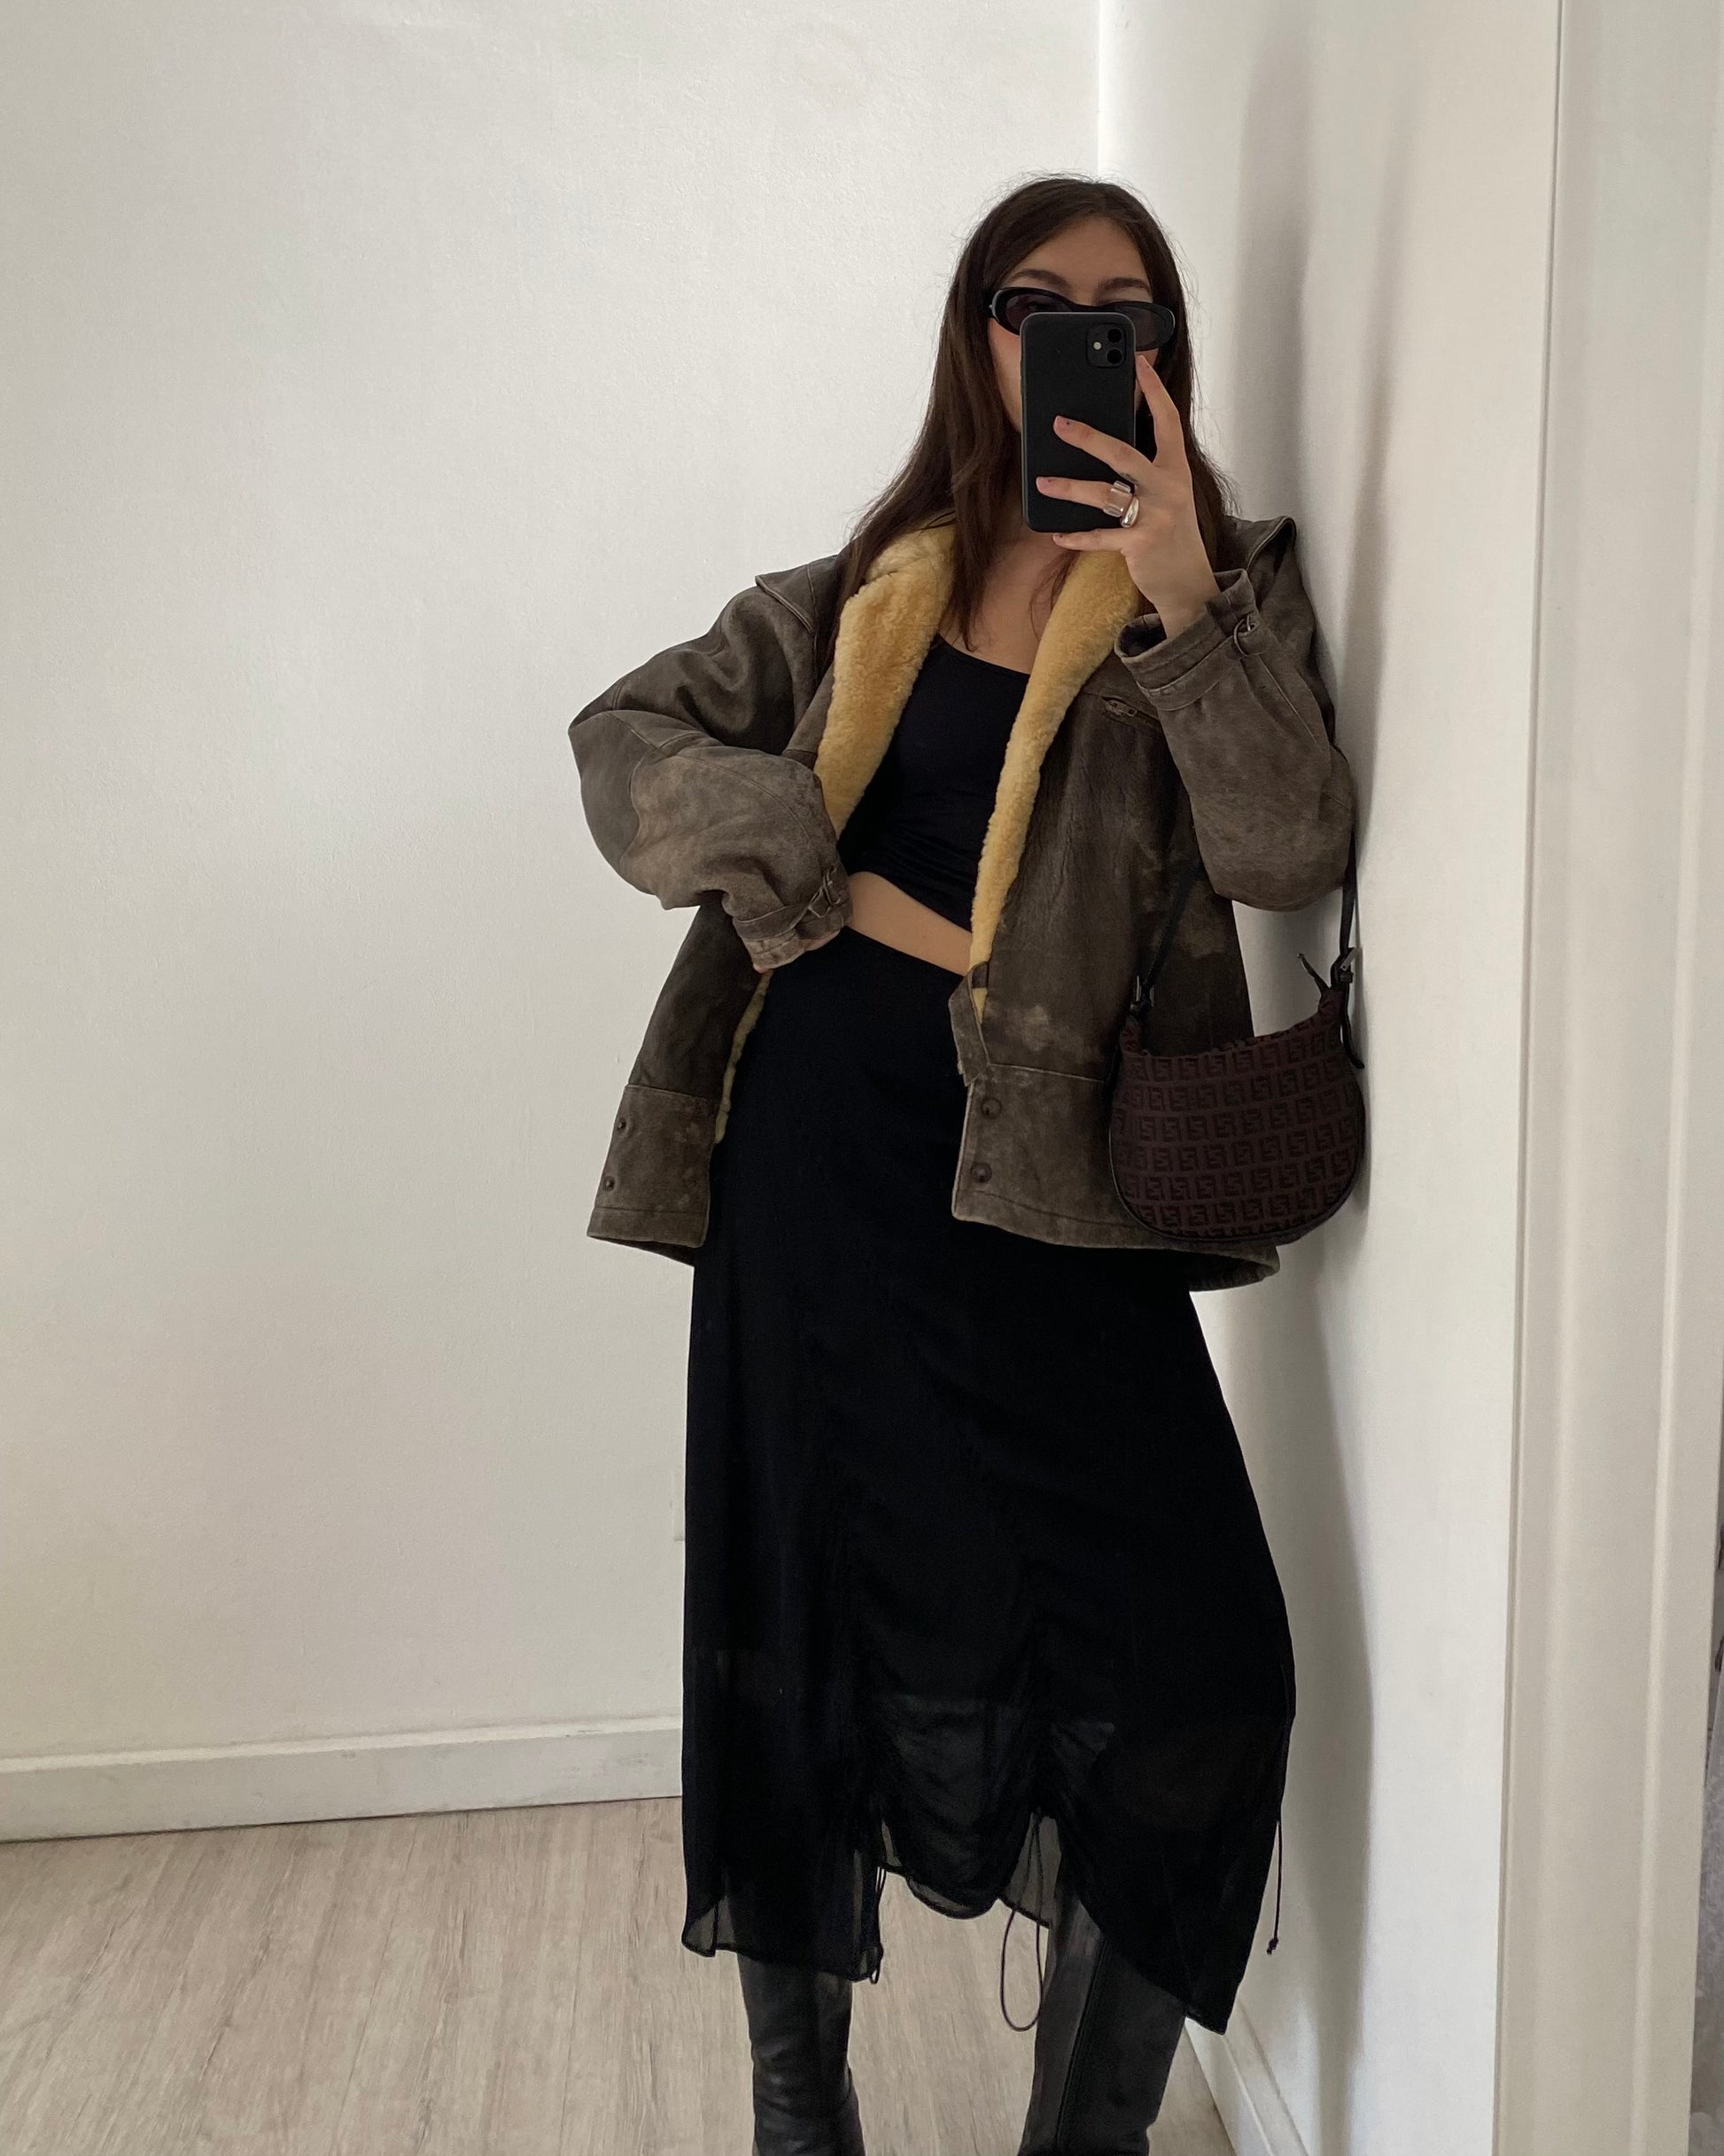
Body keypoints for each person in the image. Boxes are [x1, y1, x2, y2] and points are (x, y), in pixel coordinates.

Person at [569, 174, 1355, 2156]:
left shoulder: (1215, 585)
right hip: (815, 1168)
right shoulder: (863, 587)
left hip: (1054, 1189)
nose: (1081, 334)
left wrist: (1179, 590)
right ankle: (798, 2111)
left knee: (1203, 1671)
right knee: (803, 1611)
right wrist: (798, 871)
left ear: (1161, 351)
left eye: (1124, 306)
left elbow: (1285, 846)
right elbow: (624, 743)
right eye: (1036, 300)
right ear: (978, 337)